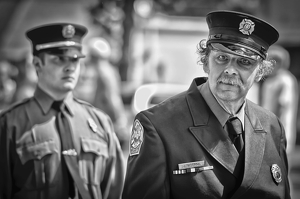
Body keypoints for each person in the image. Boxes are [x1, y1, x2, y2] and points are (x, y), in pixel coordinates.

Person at [122, 10, 291, 199]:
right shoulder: (158, 126)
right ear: (205, 62)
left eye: (244, 62)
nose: (230, 70)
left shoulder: (272, 126)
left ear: (260, 72)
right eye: (222, 58)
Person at [0, 23, 125, 199]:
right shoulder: (9, 125)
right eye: (59, 59)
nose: (70, 67)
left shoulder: (99, 122)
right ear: (37, 64)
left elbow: (115, 191)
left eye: (75, 59)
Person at [260, 45, 298, 155]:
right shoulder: (270, 81)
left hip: (278, 128)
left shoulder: (285, 80)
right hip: (267, 127)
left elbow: (282, 105)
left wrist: (275, 128)